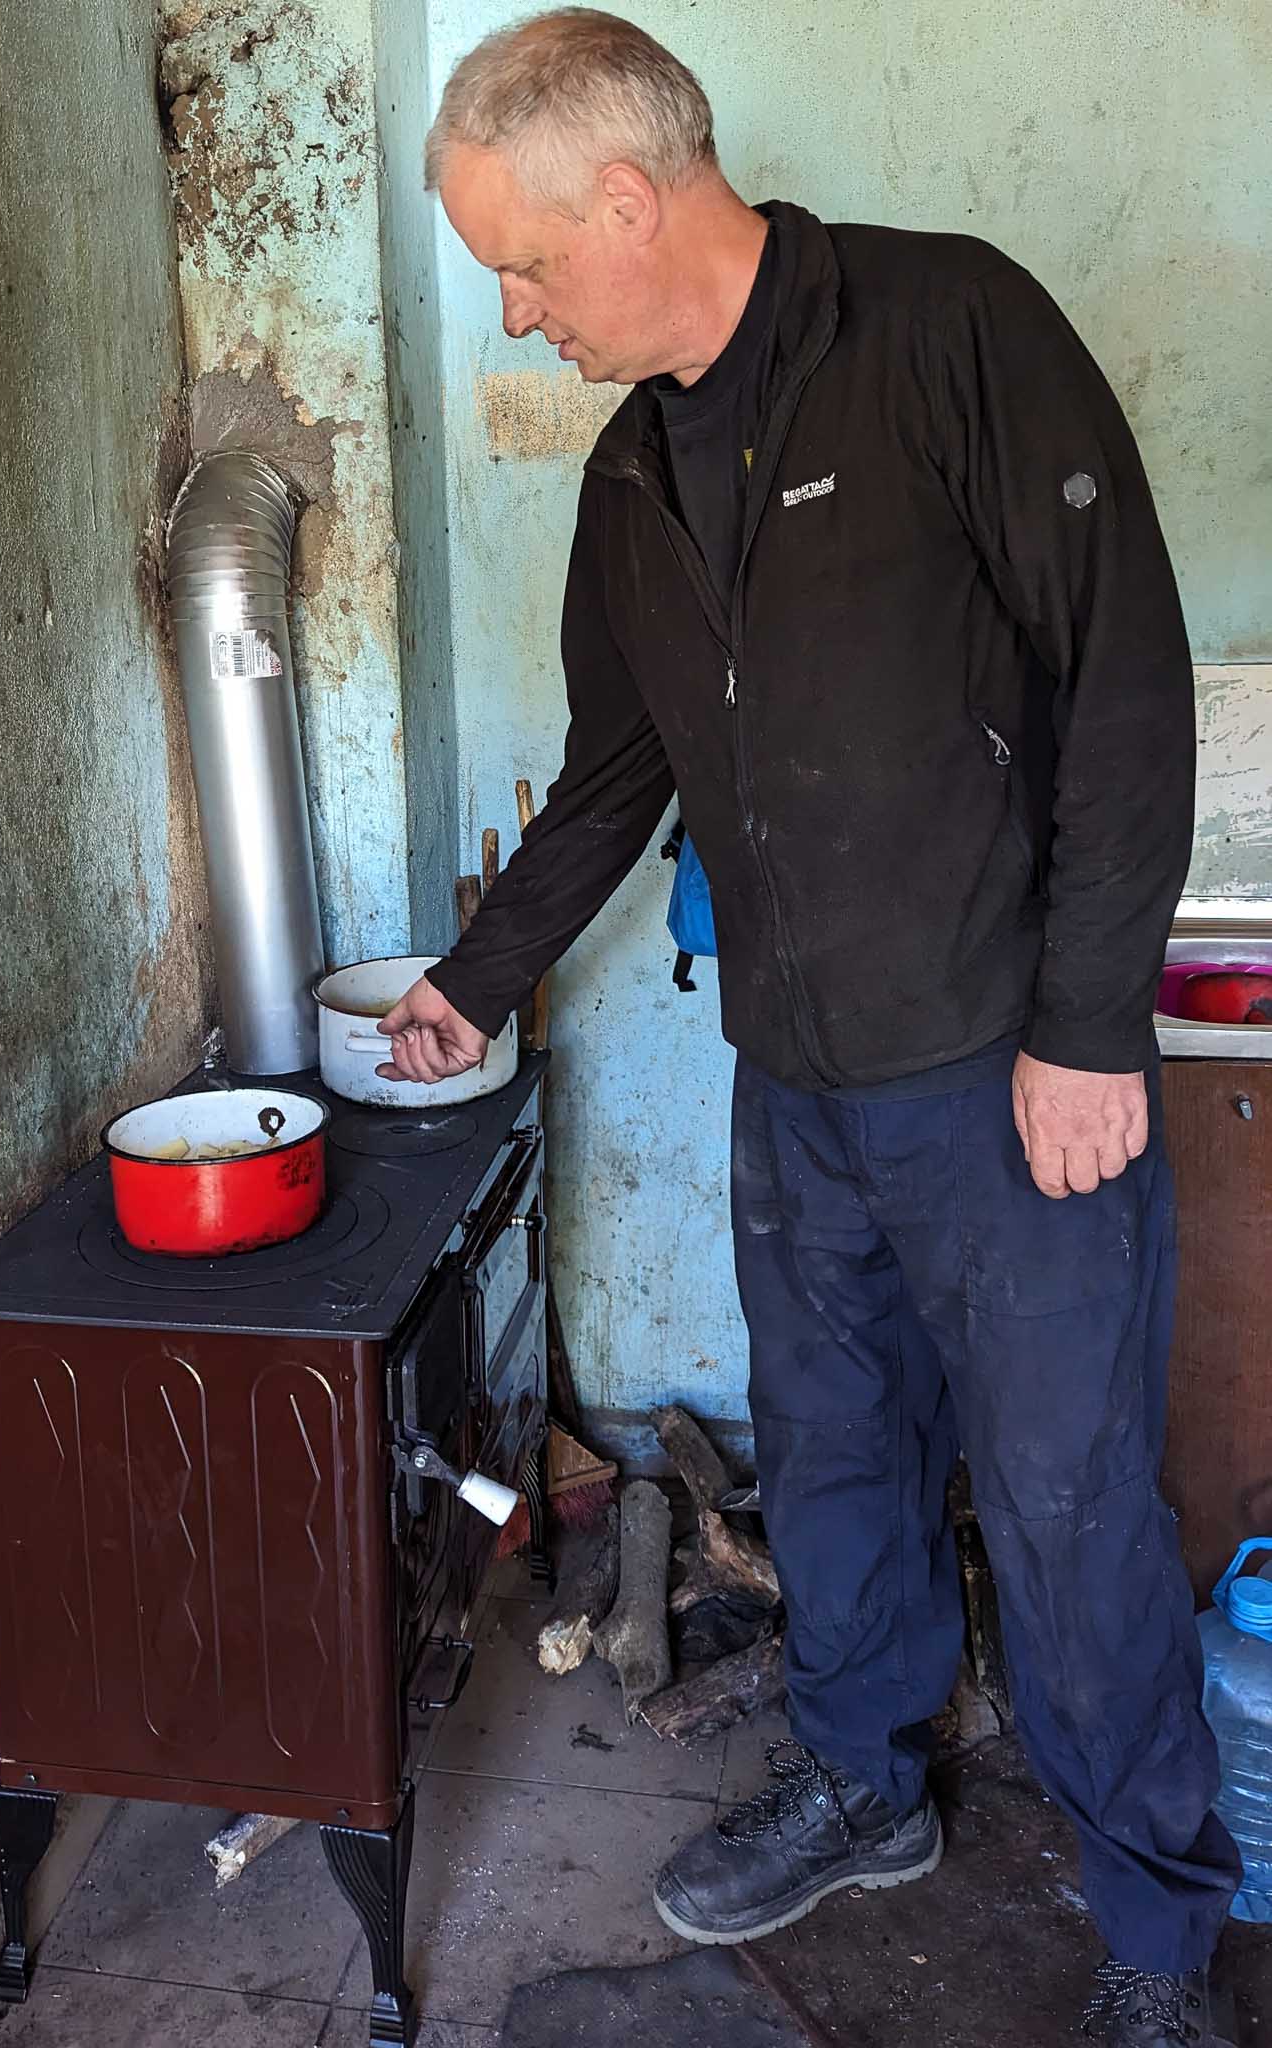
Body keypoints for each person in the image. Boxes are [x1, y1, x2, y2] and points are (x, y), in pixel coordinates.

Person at [380, 11, 1240, 2043]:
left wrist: (1089, 1031)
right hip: (799, 1081)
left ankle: (1160, 1937)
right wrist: (472, 978)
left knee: (1068, 1502)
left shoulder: (949, 333)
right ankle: (871, 1780)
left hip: (1010, 1073)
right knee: (837, 1460)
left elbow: (1125, 685)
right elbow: (618, 772)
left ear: (626, 197)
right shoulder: (631, 478)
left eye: (523, 264)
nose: (515, 313)